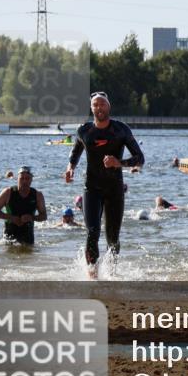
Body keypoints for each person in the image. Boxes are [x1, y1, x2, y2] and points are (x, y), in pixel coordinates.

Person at [65, 92, 145, 277]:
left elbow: (140, 158)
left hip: (114, 189)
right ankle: (92, 274)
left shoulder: (121, 130)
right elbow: (75, 152)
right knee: (92, 231)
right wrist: (70, 168)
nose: (99, 107)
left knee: (112, 237)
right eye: (95, 105)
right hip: (91, 188)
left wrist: (120, 163)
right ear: (91, 108)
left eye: (102, 104)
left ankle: (111, 272)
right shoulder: (84, 130)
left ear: (109, 106)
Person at [0, 166, 47, 245]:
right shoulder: (8, 192)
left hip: (28, 236)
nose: (24, 181)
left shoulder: (37, 195)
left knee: (29, 256)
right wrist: (11, 218)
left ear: (31, 180)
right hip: (9, 235)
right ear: (17, 179)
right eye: (21, 178)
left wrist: (31, 217)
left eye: (27, 178)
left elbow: (44, 216)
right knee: (9, 255)